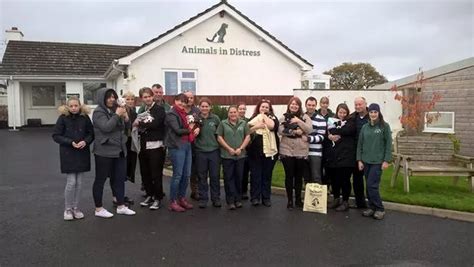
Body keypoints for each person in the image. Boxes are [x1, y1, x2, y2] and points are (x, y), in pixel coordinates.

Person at [92, 88, 136, 218]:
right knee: (100, 180)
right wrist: (117, 115)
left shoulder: (116, 109)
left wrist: (126, 118)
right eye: (108, 97)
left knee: (119, 179)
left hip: (119, 150)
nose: (112, 99)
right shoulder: (98, 112)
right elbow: (106, 127)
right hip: (104, 151)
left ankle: (121, 206)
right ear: (102, 98)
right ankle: (99, 209)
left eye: (113, 97)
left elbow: (125, 128)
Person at [52, 97, 94, 221]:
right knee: (71, 183)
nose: (74, 108)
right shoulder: (63, 118)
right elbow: (56, 135)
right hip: (68, 153)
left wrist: (85, 142)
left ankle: (76, 208)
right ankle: (68, 209)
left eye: (76, 105)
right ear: (67, 107)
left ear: (80, 106)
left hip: (82, 153)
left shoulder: (85, 117)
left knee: (79, 183)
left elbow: (91, 133)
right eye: (71, 106)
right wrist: (70, 142)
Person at [357, 103, 392, 220]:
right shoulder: (365, 127)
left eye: (375, 112)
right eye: (371, 112)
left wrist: (386, 160)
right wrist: (359, 160)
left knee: (372, 185)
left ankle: (380, 209)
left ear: (378, 113)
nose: (373, 114)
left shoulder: (384, 127)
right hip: (366, 161)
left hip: (377, 162)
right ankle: (372, 207)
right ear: (369, 113)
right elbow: (360, 144)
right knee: (368, 186)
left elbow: (388, 145)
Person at [165, 93, 198, 212]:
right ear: (175, 101)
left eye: (184, 102)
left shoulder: (185, 114)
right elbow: (178, 130)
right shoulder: (171, 113)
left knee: (186, 174)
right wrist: (190, 129)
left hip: (187, 145)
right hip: (177, 146)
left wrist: (195, 127)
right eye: (180, 101)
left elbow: (193, 124)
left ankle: (182, 198)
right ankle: (173, 201)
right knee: (178, 175)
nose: (182, 103)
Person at [279, 97, 313, 210]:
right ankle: (289, 200)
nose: (294, 106)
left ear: (299, 106)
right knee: (289, 176)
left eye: (296, 105)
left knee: (299, 177)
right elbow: (281, 130)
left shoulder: (305, 117)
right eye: (292, 104)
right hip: (286, 150)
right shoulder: (284, 116)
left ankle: (298, 199)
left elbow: (309, 130)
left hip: (301, 151)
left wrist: (298, 121)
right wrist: (295, 132)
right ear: (289, 105)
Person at [136, 87, 167, 210]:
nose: (147, 98)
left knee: (156, 173)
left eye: (149, 96)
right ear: (142, 99)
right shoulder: (142, 110)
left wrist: (140, 123)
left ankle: (158, 197)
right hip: (143, 145)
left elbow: (155, 124)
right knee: (145, 172)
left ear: (152, 96)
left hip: (156, 145)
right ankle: (150, 195)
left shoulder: (159, 109)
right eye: (145, 97)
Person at [216, 106, 251, 210]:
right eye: (231, 112)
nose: (233, 114)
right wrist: (229, 148)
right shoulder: (223, 123)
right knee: (228, 178)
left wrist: (241, 148)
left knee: (239, 178)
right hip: (227, 156)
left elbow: (248, 136)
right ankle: (230, 201)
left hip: (240, 155)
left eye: (234, 112)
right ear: (228, 114)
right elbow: (219, 137)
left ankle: (238, 199)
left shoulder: (243, 123)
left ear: (237, 113)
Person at [324, 103, 356, 211]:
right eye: (340, 112)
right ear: (337, 112)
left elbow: (347, 130)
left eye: (344, 112)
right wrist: (330, 135)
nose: (342, 114)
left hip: (347, 156)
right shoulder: (332, 120)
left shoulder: (351, 121)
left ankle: (345, 201)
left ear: (347, 113)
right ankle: (336, 199)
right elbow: (328, 132)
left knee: (345, 180)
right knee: (335, 180)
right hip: (334, 156)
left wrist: (334, 131)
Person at [247, 99, 279, 207]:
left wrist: (264, 116)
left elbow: (272, 127)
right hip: (254, 153)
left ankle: (266, 198)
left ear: (270, 109)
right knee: (255, 176)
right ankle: (255, 198)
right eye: (262, 107)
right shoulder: (253, 119)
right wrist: (257, 126)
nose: (264, 109)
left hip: (269, 153)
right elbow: (247, 131)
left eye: (266, 107)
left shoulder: (273, 118)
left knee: (266, 176)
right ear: (258, 107)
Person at [109, 91, 135, 207]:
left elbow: (131, 125)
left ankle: (120, 195)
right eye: (127, 99)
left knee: (124, 172)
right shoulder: (117, 110)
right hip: (119, 142)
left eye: (131, 99)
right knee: (116, 172)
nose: (129, 101)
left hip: (129, 142)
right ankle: (116, 197)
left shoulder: (133, 111)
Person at [195, 97, 222, 208]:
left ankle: (216, 198)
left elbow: (220, 134)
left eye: (207, 106)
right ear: (199, 107)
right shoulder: (195, 119)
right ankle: (203, 198)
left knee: (215, 176)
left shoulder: (215, 119)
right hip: (200, 151)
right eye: (202, 106)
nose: (205, 108)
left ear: (210, 107)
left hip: (214, 151)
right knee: (202, 176)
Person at [347, 96, 370, 208]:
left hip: (370, 152)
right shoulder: (352, 117)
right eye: (356, 104)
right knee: (357, 179)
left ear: (365, 104)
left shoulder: (373, 116)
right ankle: (360, 202)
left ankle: (372, 203)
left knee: (370, 180)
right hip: (356, 153)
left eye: (360, 104)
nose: (358, 106)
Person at [184, 90, 201, 201]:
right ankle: (180, 194)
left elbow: (200, 122)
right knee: (184, 169)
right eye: (187, 97)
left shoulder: (196, 110)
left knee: (195, 168)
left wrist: (199, 127)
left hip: (195, 143)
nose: (189, 99)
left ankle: (195, 191)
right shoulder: (179, 110)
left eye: (191, 98)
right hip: (183, 142)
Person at [304, 97, 326, 184]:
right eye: (309, 105)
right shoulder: (301, 117)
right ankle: (308, 197)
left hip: (315, 152)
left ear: (316, 106)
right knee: (306, 178)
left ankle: (317, 197)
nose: (311, 107)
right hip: (302, 151)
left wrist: (309, 139)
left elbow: (321, 137)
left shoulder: (321, 119)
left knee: (316, 177)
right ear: (306, 105)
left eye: (313, 105)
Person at [237, 102, 251, 200]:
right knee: (236, 173)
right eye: (240, 109)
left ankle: (244, 191)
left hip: (246, 150)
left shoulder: (248, 121)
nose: (242, 110)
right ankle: (236, 191)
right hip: (234, 148)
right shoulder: (233, 120)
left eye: (244, 109)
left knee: (245, 172)